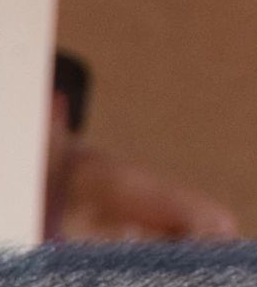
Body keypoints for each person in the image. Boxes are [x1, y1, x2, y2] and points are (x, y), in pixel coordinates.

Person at [45, 49, 240, 242]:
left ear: (56, 106)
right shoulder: (45, 173)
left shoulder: (90, 177)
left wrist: (144, 270)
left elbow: (214, 224)